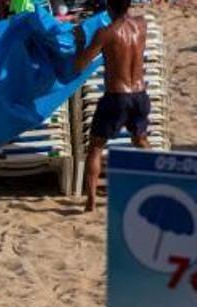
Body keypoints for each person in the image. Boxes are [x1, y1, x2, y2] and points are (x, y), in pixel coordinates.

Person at [75, 0, 149, 212]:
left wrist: (80, 42)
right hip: (140, 95)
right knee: (141, 141)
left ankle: (90, 201)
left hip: (117, 96)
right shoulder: (142, 24)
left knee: (96, 147)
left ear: (109, 8)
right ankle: (157, 183)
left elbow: (80, 65)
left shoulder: (106, 33)